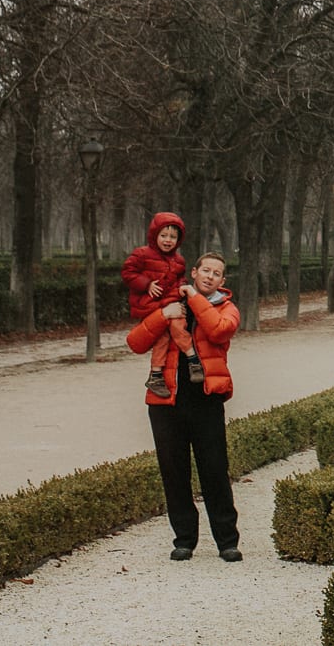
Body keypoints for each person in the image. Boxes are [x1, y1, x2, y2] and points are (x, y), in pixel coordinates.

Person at [128, 250, 241, 562]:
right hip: (165, 401)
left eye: (216, 273)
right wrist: (163, 315)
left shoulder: (227, 308)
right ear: (194, 272)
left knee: (214, 470)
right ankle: (184, 540)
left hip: (206, 400)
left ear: (222, 280)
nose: (209, 276)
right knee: (174, 473)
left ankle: (227, 541)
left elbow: (218, 330)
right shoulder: (169, 305)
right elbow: (136, 342)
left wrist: (192, 298)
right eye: (204, 270)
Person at [121, 211, 189, 399]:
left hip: (169, 302)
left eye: (173, 237)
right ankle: (156, 373)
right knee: (162, 336)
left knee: (177, 328)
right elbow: (128, 272)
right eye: (164, 235)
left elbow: (180, 278)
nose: (168, 240)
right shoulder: (142, 254)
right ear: (154, 235)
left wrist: (182, 287)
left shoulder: (178, 261)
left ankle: (190, 358)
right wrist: (146, 284)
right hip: (149, 304)